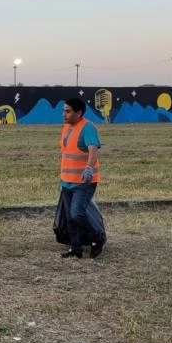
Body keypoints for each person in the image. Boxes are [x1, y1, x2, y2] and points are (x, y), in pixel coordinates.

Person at [59, 97, 103, 258]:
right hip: (67, 181)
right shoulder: (66, 127)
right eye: (64, 110)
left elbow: (93, 149)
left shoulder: (88, 128)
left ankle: (98, 238)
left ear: (79, 113)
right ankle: (75, 248)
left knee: (77, 213)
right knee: (71, 217)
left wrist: (89, 168)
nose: (64, 114)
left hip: (84, 181)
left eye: (68, 111)